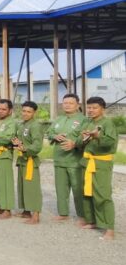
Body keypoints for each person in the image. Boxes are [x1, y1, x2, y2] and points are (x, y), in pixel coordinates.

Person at [79, 97, 117, 240]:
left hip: (101, 163)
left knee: (103, 195)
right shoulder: (88, 123)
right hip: (87, 161)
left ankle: (109, 229)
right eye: (89, 107)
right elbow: (80, 142)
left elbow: (111, 142)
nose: (91, 110)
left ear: (102, 108)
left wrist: (98, 136)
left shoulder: (107, 123)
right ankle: (92, 221)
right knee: (87, 192)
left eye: (94, 107)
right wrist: (83, 138)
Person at [46, 93, 86, 223]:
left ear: (77, 105)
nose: (67, 105)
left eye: (71, 103)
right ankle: (63, 213)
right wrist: (55, 136)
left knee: (78, 188)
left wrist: (75, 143)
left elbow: (86, 138)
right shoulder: (59, 119)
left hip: (75, 160)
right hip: (59, 159)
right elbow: (49, 132)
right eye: (65, 103)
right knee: (61, 188)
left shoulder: (83, 120)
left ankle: (82, 215)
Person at [14, 101, 43, 224]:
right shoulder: (22, 125)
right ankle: (26, 211)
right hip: (22, 159)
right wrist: (17, 143)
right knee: (23, 186)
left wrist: (25, 149)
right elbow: (21, 140)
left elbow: (37, 145)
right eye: (24, 111)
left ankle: (36, 215)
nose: (25, 113)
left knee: (32, 187)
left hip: (30, 160)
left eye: (28, 112)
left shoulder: (35, 126)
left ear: (34, 112)